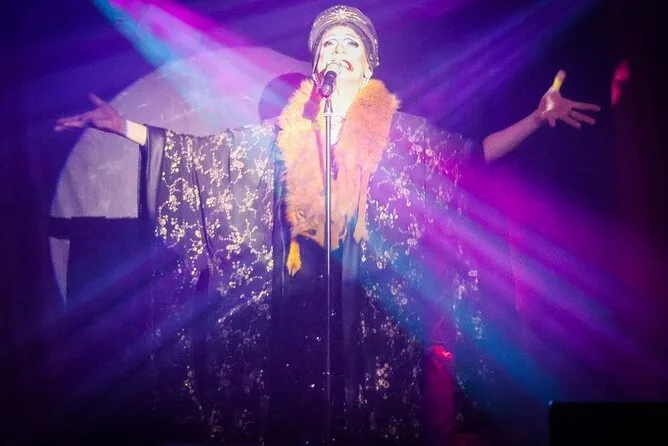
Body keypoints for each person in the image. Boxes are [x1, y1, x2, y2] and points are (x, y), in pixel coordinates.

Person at [55, 5, 600, 445]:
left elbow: (469, 157)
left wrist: (536, 118)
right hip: (294, 310)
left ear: (367, 66)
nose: (336, 51)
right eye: (327, 45)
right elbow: (203, 158)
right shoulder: (280, 137)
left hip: (372, 315)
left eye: (349, 44)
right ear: (317, 66)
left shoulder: (404, 138)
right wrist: (125, 127)